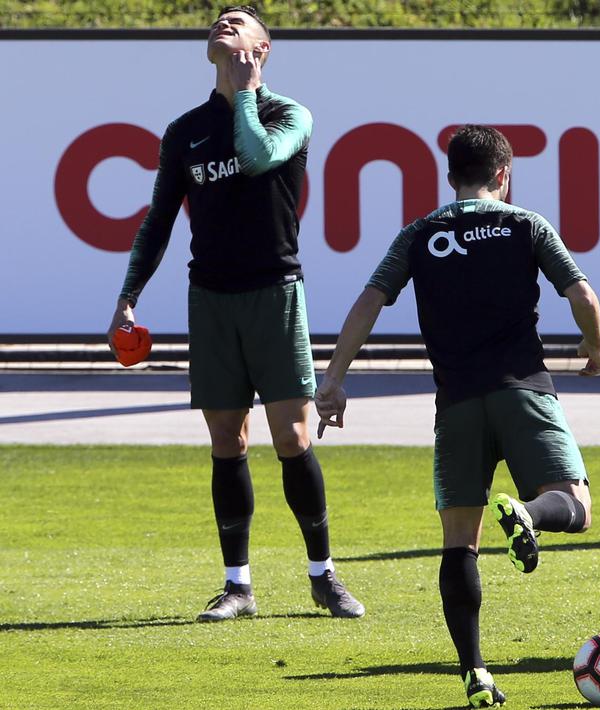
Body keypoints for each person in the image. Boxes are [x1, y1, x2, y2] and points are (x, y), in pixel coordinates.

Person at [315, 125, 600, 709]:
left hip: (455, 407)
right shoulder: (526, 224)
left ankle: (475, 672)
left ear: (451, 178)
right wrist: (593, 346)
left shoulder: (420, 234)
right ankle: (528, 510)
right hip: (523, 391)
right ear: (504, 174)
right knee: (574, 505)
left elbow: (369, 301)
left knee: (458, 544)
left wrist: (334, 379)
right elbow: (582, 294)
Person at [106, 6, 363, 622]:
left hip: (276, 291)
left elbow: (254, 157)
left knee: (294, 438)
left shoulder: (288, 114)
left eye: (240, 20)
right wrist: (128, 292)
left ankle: (323, 576)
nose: (226, 19)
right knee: (228, 440)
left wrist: (245, 92)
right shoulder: (185, 130)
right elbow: (160, 219)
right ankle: (238, 586)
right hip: (212, 298)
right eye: (221, 18)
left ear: (263, 47)